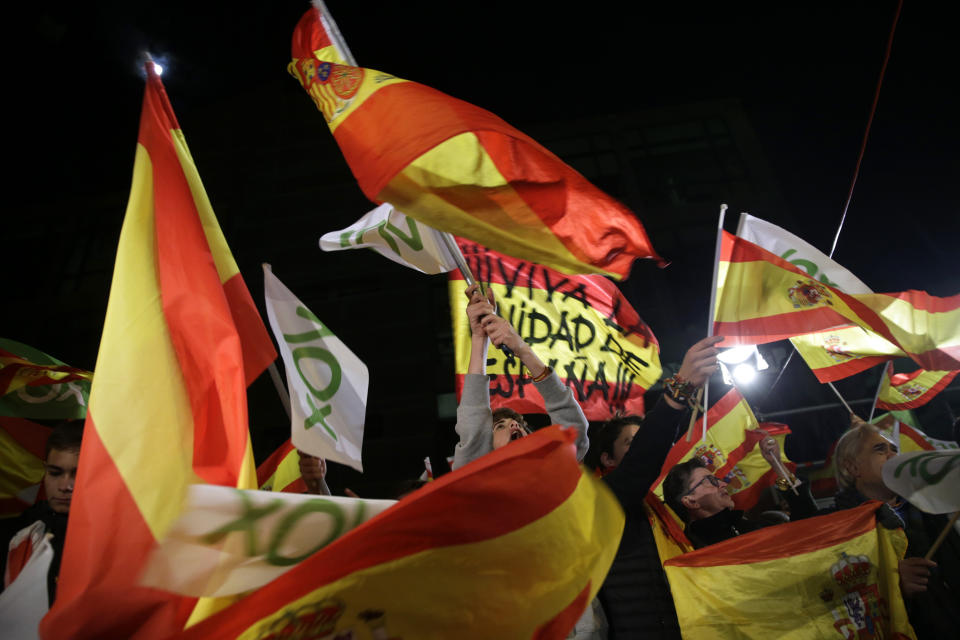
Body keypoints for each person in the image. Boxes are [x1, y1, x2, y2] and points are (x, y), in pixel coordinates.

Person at [597, 335, 722, 639]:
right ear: (608, 459)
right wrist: (679, 391)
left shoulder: (662, 512)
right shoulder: (602, 502)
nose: (641, 446)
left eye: (642, 439)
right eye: (631, 443)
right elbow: (643, 460)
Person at [832, 416, 959, 637]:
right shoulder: (839, 527)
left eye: (894, 449)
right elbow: (837, 595)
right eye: (880, 450)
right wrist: (892, 583)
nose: (893, 456)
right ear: (853, 467)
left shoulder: (929, 506)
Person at [452, 283, 589, 469]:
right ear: (486, 447)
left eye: (520, 426)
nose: (515, 426)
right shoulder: (478, 478)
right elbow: (473, 429)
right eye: (499, 426)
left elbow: (573, 429)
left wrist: (523, 350)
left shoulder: (552, 467)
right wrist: (478, 338)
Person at [661, 437, 816, 549]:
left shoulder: (753, 527)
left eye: (717, 479)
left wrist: (777, 464)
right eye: (710, 481)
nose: (723, 484)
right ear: (690, 501)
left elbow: (810, 528)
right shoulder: (696, 553)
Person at [2, 420, 82, 605]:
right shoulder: (15, 533)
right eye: (55, 473)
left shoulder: (115, 540)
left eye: (76, 474)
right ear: (45, 471)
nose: (64, 486)